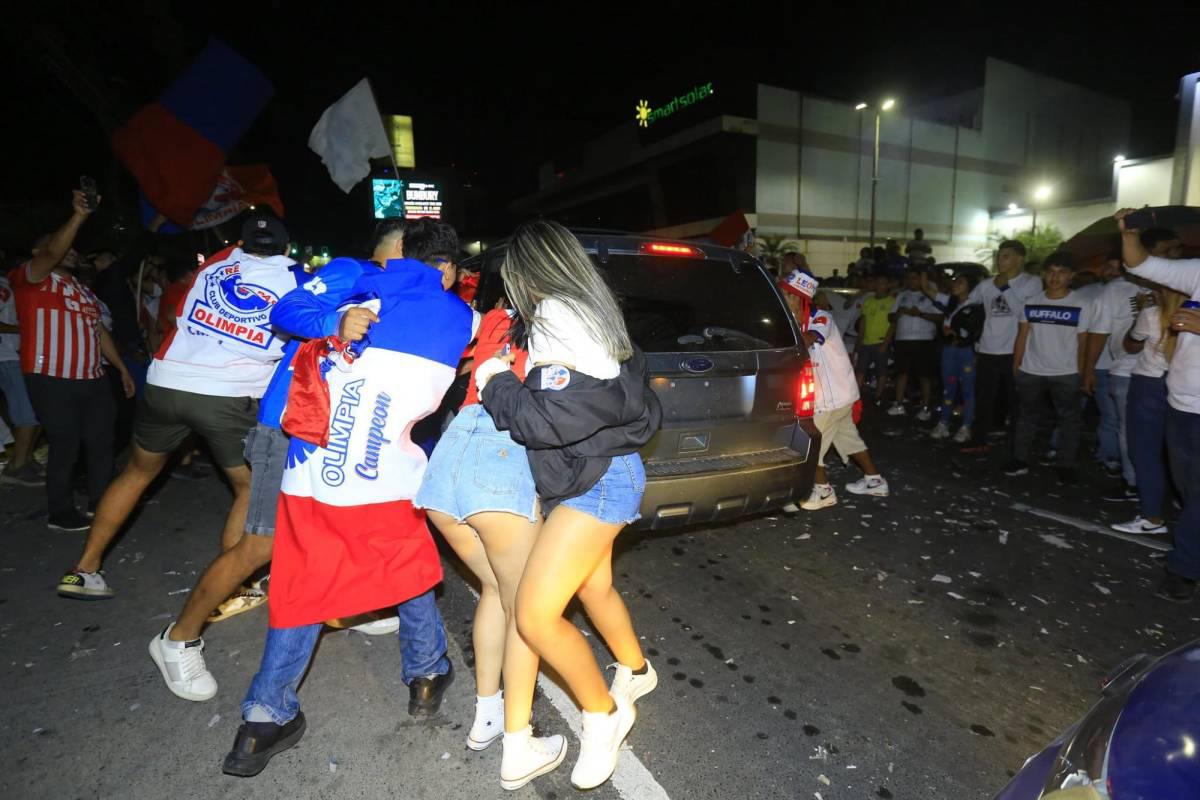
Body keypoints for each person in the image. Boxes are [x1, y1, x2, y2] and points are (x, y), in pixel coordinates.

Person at [222, 220, 476, 777]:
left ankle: (264, 719)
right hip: (387, 476)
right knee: (406, 567)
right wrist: (337, 322)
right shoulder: (454, 313)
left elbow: (285, 312)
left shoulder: (361, 280)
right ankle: (427, 674)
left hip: (317, 474)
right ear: (449, 269)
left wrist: (333, 321)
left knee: (307, 584)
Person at [474, 220, 661, 791]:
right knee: (593, 587)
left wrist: (494, 380)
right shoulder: (593, 308)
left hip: (596, 482)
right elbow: (621, 402)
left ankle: (602, 715)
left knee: (533, 614)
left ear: (528, 272)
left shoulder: (556, 314)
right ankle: (636, 671)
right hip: (604, 473)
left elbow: (544, 421)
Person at [57, 213, 302, 600]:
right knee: (250, 487)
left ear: (240, 245)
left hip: (166, 379)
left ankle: (83, 568)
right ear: (287, 250)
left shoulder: (218, 264)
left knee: (137, 472)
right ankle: (231, 586)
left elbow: (231, 241)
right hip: (229, 392)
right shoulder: (297, 281)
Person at [416, 297, 570, 790]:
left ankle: (486, 716)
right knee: (528, 606)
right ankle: (518, 744)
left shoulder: (498, 315)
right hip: (500, 452)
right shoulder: (560, 319)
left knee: (495, 591)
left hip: (449, 456)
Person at [9, 190, 135, 530]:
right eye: (64, 246)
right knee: (65, 443)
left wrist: (121, 369)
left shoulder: (83, 290)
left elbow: (99, 332)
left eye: (74, 249)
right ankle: (60, 511)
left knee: (100, 441)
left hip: (92, 377)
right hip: (50, 374)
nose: (71, 251)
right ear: (40, 252)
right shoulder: (31, 278)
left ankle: (101, 501)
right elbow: (52, 251)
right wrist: (79, 216)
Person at [1115, 208, 1200, 601]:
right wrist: (1129, 233)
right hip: (1180, 403)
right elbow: (1142, 264)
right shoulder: (1196, 272)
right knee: (1188, 490)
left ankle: (1183, 566)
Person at [778, 269, 889, 511]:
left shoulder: (821, 317)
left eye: (786, 295)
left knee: (811, 447)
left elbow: (807, 339)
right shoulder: (796, 321)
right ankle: (874, 481)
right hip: (840, 397)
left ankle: (823, 491)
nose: (782, 298)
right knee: (849, 440)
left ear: (799, 298)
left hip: (831, 399)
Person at [1087, 247, 1168, 499]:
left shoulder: (1171, 287)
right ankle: (1134, 482)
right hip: (1125, 370)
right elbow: (1102, 335)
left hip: (1167, 371)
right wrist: (1088, 371)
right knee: (1128, 429)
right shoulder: (1114, 291)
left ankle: (1164, 487)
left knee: (1164, 433)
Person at [1004, 252, 1091, 482]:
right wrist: (1017, 364)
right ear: (1043, 275)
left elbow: (1084, 341)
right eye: (1051, 272)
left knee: (1069, 420)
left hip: (1066, 372)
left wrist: (1082, 372)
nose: (1055, 277)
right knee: (1026, 417)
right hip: (1031, 371)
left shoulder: (1081, 304)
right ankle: (1019, 460)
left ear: (1071, 276)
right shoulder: (1031, 302)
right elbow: (1022, 336)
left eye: (1062, 272)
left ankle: (1066, 465)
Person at [1109, 283, 1186, 536]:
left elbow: (1131, 345)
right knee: (1182, 456)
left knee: (1145, 454)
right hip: (1185, 387)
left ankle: (1152, 517)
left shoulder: (1152, 314)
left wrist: (1140, 312)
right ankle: (1186, 510)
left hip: (1150, 386)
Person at [959, 240, 1043, 453]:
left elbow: (1023, 313)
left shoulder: (1031, 283)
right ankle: (979, 439)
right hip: (987, 349)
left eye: (1006, 256)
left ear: (1019, 258)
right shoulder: (987, 284)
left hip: (1014, 351)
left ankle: (1018, 444)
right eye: (999, 256)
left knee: (1015, 401)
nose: (1000, 260)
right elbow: (968, 304)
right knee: (985, 397)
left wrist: (1005, 287)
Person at [0, 268, 43, 486]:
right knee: (27, 414)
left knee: (37, 411)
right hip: (6, 357)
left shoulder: (9, 285)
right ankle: (16, 468)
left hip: (20, 356)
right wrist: (24, 330)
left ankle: (24, 459)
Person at [929, 273, 984, 442]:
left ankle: (966, 426)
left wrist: (957, 334)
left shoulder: (975, 306)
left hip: (966, 352)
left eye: (961, 282)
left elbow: (975, 332)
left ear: (970, 287)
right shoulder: (951, 304)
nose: (955, 285)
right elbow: (929, 291)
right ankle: (944, 423)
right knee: (948, 388)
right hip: (949, 351)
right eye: (954, 282)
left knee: (967, 389)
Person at [886, 269, 944, 419]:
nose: (912, 281)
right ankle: (898, 404)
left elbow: (941, 318)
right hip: (902, 339)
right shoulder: (902, 295)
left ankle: (926, 408)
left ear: (922, 280)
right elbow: (891, 317)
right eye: (909, 278)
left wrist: (921, 314)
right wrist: (900, 312)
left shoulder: (931, 296)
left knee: (924, 375)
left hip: (924, 340)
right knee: (902, 373)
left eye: (915, 278)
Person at [854, 274, 894, 395]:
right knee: (860, 371)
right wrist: (859, 341)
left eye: (883, 283)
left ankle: (878, 397)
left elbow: (893, 325)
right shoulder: (868, 301)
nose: (880, 285)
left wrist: (886, 343)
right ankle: (856, 396)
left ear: (887, 285)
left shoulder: (892, 301)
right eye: (878, 282)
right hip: (866, 342)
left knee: (881, 372)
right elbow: (863, 322)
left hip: (881, 342)